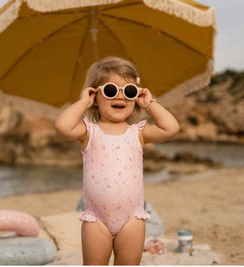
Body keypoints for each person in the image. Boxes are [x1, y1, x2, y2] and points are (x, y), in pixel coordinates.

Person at [54, 56, 180, 265]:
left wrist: (149, 102)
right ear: (96, 96)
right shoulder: (88, 131)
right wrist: (83, 101)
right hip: (97, 220)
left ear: (136, 97)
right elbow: (62, 126)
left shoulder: (138, 132)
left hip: (132, 219)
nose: (120, 96)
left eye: (129, 91)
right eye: (111, 90)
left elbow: (171, 128)